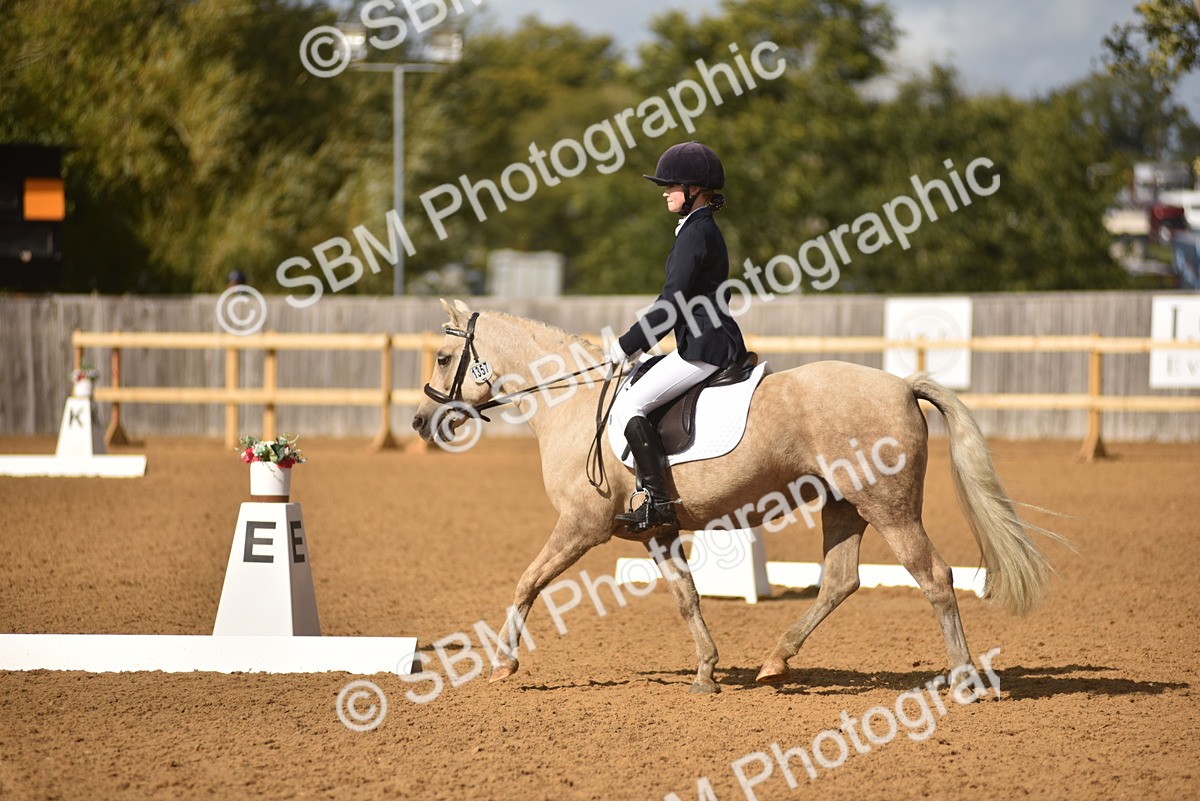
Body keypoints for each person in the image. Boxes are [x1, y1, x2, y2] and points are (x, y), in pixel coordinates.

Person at [608, 141, 748, 535]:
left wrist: (628, 343)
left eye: (671, 186)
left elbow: (672, 301)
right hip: (707, 338)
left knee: (631, 404)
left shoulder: (695, 233)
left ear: (695, 190)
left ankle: (658, 503)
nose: (665, 192)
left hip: (705, 346)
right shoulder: (699, 229)